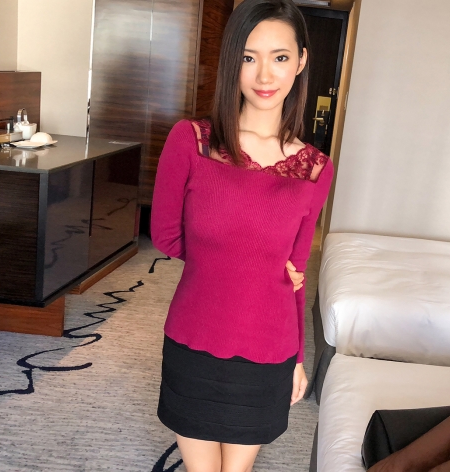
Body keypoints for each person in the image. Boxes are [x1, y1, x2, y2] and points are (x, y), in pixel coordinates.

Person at [150, 0, 335, 470]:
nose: (264, 75)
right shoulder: (191, 141)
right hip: (195, 335)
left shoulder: (315, 168)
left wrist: (298, 357)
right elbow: (166, 235)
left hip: (268, 347)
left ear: (301, 61)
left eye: (280, 57)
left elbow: (296, 272)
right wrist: (233, 258)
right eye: (249, 57)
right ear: (233, 60)